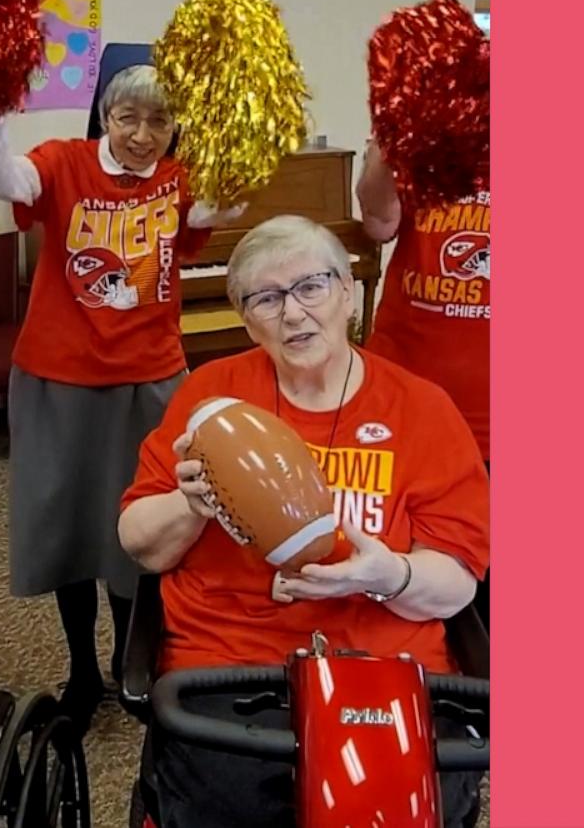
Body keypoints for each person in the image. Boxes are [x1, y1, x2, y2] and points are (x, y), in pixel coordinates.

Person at [118, 217, 489, 828]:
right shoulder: (211, 397)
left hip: (381, 667)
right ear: (245, 316)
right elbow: (139, 544)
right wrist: (190, 504)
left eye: (311, 286)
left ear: (348, 290)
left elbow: (456, 583)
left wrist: (386, 574)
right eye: (266, 298)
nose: (293, 313)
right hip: (231, 663)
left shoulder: (421, 407)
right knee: (229, 802)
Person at [0, 64, 240, 730]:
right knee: (70, 532)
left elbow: (225, 206)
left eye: (160, 121)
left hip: (148, 382)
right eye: (129, 118)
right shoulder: (62, 162)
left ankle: (132, 661)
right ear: (105, 116)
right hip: (58, 380)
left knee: (141, 533)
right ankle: (82, 674)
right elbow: (4, 180)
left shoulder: (178, 182)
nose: (144, 135)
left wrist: (242, 123)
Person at [357, 139, 491, 627]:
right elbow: (378, 223)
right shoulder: (427, 136)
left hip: (491, 410)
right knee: (405, 568)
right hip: (405, 400)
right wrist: (395, 138)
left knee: (485, 581)